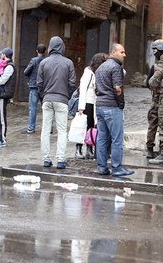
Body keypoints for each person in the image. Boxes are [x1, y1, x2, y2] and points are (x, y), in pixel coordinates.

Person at [95, 43, 135, 177]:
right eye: (122, 52)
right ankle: (117, 168)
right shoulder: (116, 67)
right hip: (112, 107)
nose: (125, 55)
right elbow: (117, 88)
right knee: (116, 139)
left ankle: (102, 167)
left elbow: (97, 88)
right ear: (113, 52)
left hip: (99, 106)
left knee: (102, 138)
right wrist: (121, 103)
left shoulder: (101, 67)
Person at [36, 37, 76, 168]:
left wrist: (44, 96)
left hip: (47, 100)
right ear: (62, 47)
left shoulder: (43, 63)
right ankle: (60, 159)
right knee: (62, 130)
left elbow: (39, 84)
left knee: (45, 130)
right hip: (62, 99)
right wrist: (67, 96)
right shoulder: (68, 63)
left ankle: (46, 159)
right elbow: (72, 83)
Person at [77, 53, 107, 159]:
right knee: (83, 127)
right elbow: (82, 90)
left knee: (91, 127)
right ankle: (78, 149)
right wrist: (81, 107)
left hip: (94, 103)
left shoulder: (96, 73)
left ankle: (89, 148)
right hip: (86, 104)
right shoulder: (88, 73)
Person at [23, 44, 46, 134]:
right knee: (47, 108)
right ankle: (49, 128)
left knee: (32, 108)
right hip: (44, 87)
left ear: (37, 51)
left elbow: (26, 72)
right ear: (45, 51)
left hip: (34, 87)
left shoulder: (34, 60)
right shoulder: (47, 61)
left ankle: (31, 128)